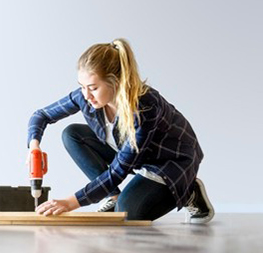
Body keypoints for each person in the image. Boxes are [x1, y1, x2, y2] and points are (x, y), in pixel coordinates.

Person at [27, 38, 214, 223]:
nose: (86, 95)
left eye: (93, 88)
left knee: (126, 214)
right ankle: (113, 197)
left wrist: (70, 202)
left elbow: (118, 172)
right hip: (136, 154)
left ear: (115, 82)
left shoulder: (144, 107)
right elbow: (41, 115)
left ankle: (189, 191)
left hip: (170, 161)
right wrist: (34, 146)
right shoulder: (85, 97)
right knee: (72, 135)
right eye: (82, 87)